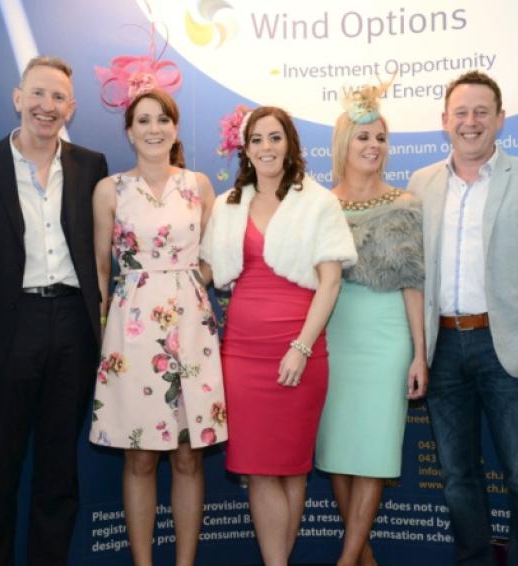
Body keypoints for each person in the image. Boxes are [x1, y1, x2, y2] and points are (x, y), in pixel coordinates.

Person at [407, 70, 518, 566]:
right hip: (442, 350)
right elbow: (413, 277)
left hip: (513, 349)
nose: (470, 121)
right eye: (460, 112)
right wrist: (414, 350)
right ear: (444, 121)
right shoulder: (421, 184)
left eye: (482, 111)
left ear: (501, 120)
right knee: (458, 476)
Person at [0, 55, 107, 565]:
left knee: (59, 467)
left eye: (59, 97)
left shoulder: (91, 165)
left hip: (72, 326)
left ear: (72, 108)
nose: (47, 106)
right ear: (18, 98)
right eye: (37, 94)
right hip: (7, 326)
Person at [201, 106, 356, 566]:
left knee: (292, 470)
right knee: (259, 470)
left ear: (290, 143)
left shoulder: (318, 202)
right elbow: (206, 271)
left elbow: (330, 283)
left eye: (275, 137)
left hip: (302, 349)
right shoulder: (227, 204)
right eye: (256, 140)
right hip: (243, 353)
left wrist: (301, 348)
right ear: (244, 148)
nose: (266, 148)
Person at [89, 89, 227, 566]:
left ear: (175, 127)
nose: (153, 128)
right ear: (129, 131)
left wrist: (185, 285)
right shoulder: (110, 189)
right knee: (139, 455)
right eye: (143, 120)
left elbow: (214, 257)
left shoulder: (199, 185)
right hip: (131, 333)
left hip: (190, 329)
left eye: (162, 119)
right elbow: (101, 273)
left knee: (188, 456)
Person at [314, 85, 427, 566]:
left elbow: (413, 283)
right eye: (363, 137)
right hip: (333, 331)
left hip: (386, 338)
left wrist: (420, 353)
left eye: (380, 138)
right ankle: (363, 558)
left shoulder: (407, 202)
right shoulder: (317, 204)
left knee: (375, 451)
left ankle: (347, 560)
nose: (373, 146)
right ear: (344, 144)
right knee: (339, 449)